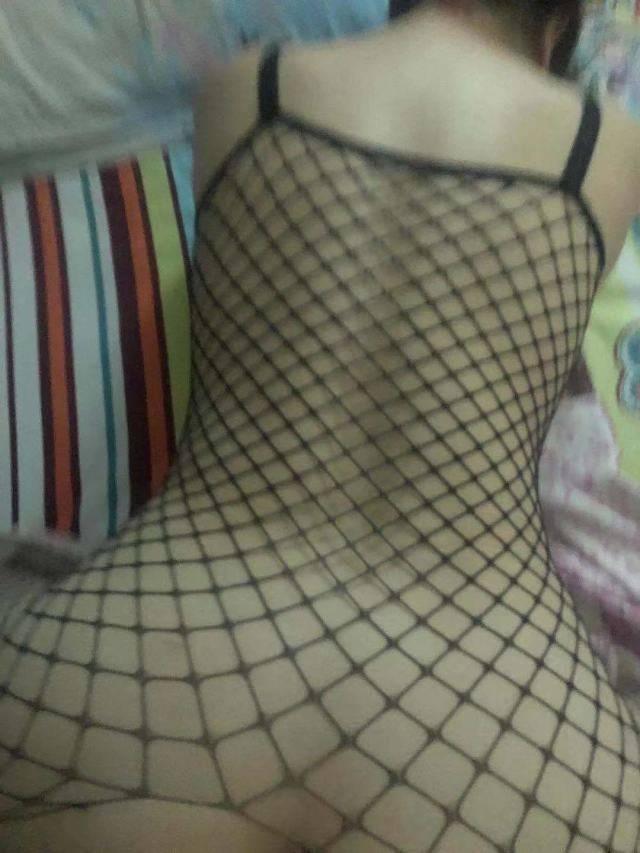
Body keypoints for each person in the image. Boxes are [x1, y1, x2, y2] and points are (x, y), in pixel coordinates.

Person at [2, 1, 640, 851]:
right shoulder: (606, 141)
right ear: (562, 22)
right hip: (497, 711)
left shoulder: (250, 84)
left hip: (156, 656)